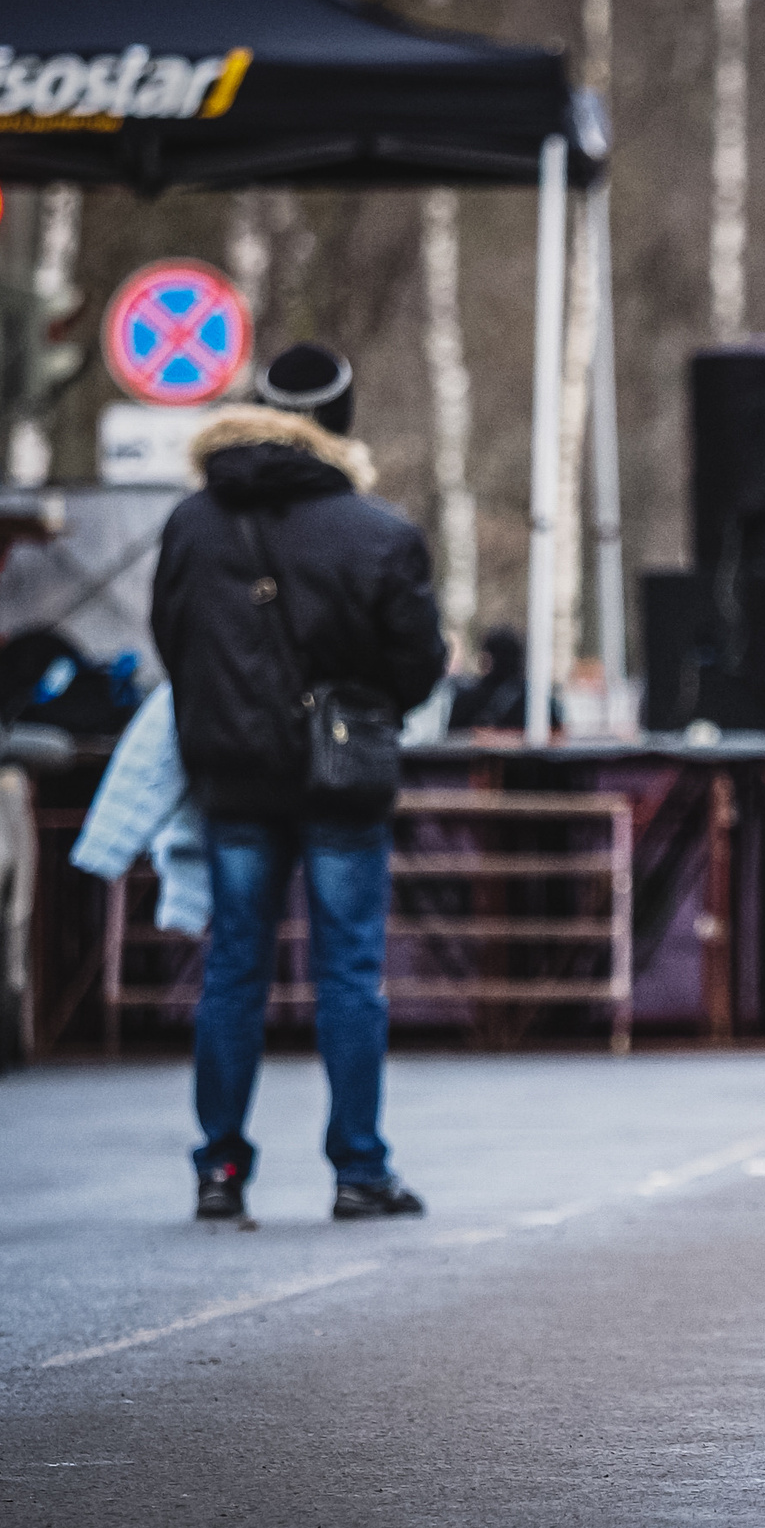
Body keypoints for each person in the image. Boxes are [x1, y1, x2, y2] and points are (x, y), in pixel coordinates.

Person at [149, 365, 446, 1224]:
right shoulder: (377, 531)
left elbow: (174, 640)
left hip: (234, 777)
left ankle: (220, 1168)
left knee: (234, 968)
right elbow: (418, 663)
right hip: (342, 781)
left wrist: (231, 716)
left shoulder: (192, 525)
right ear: (341, 424)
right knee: (349, 972)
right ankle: (358, 1169)